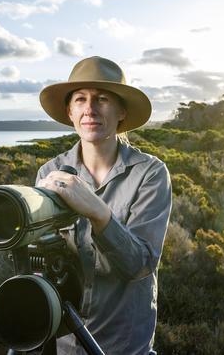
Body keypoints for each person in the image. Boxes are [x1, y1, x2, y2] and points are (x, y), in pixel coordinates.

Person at [35, 56, 172, 355]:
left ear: (122, 110)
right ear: (70, 111)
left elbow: (141, 264)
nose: (90, 109)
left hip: (126, 346)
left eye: (102, 99)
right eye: (81, 99)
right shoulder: (50, 173)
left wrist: (97, 212)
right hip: (66, 345)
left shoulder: (150, 173)